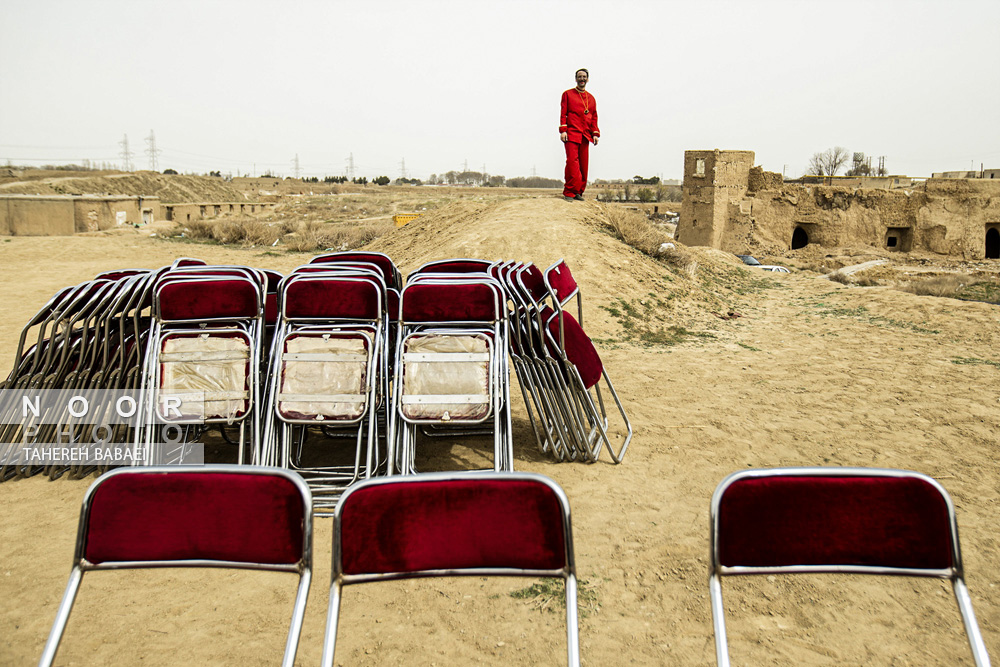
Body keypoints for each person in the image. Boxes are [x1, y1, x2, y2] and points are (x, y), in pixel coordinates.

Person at [559, 68, 600, 201]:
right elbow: (563, 114)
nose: (582, 79)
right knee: (572, 163)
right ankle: (569, 191)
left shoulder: (591, 99)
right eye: (579, 77)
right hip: (571, 134)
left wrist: (595, 134)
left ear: (587, 79)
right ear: (576, 79)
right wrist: (563, 131)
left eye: (584, 77)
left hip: (585, 135)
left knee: (583, 165)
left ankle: (578, 191)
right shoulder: (567, 94)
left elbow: (594, 117)